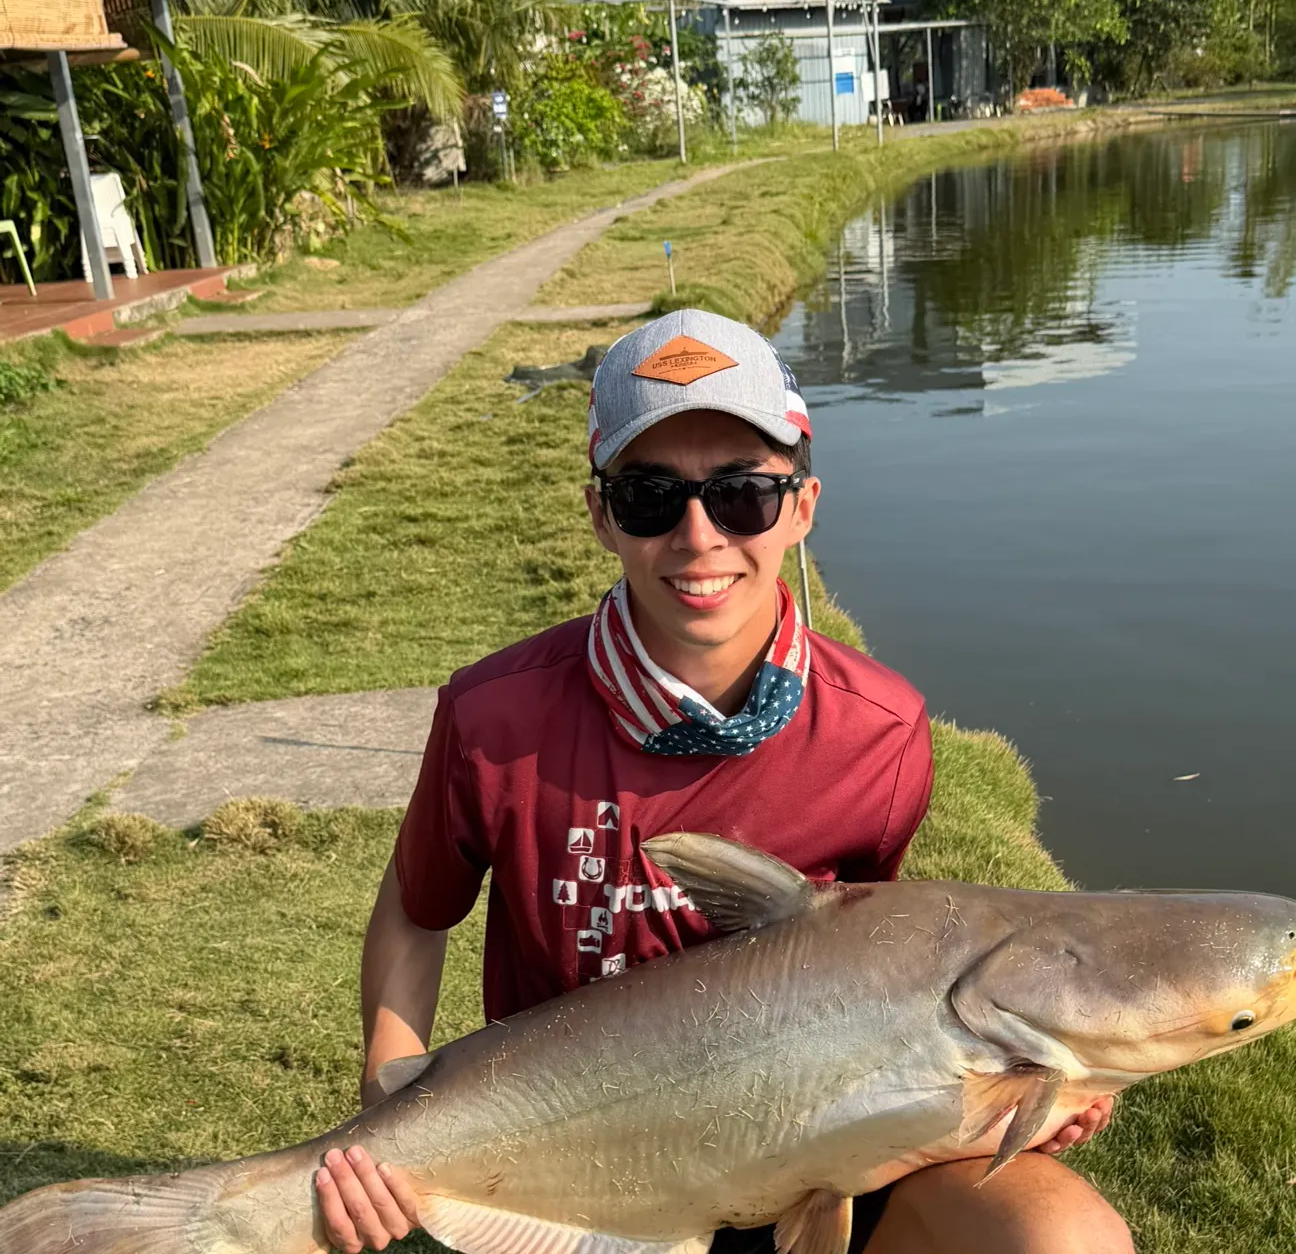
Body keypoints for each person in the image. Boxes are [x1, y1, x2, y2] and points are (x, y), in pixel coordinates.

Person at [314, 310, 1130, 1254]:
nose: (699, 536)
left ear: (802, 506)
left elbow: (888, 987)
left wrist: (1020, 1090)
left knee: (1062, 1237)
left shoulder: (882, 730)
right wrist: (388, 1099)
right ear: (599, 516)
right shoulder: (492, 719)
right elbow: (419, 911)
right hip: (578, 1157)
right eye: (651, 496)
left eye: (742, 493)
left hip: (803, 1144)